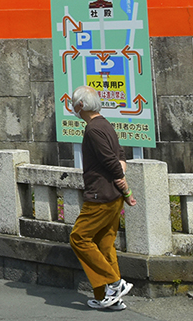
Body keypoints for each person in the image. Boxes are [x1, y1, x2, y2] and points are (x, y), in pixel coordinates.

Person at [69, 85, 136, 311]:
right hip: (112, 196)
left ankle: (114, 284)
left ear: (80, 105)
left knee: (79, 238)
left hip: (100, 195)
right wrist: (122, 184)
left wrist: (123, 183)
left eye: (73, 102)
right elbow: (119, 155)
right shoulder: (104, 124)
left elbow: (110, 160)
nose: (72, 107)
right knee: (104, 244)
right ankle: (108, 298)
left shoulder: (93, 130)